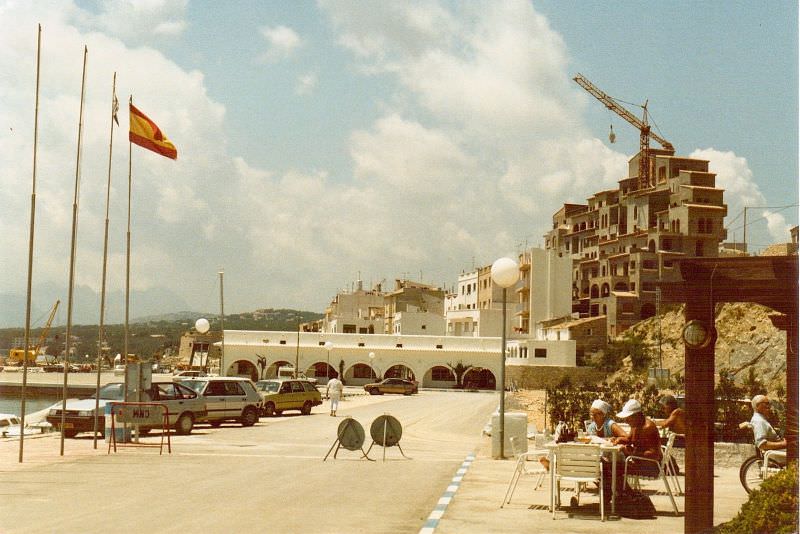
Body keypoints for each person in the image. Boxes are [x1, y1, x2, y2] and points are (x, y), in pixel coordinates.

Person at [750, 394, 786, 465]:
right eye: (766, 403)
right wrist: (784, 444)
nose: (769, 406)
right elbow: (762, 444)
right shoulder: (759, 421)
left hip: (776, 452)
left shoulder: (761, 419)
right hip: (774, 455)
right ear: (758, 406)